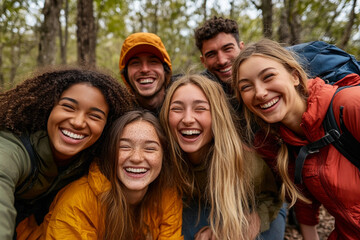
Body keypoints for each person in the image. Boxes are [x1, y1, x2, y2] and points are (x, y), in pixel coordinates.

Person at [232, 38, 360, 239]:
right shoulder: (280, 142)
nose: (260, 93)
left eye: (268, 77)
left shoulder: (350, 105)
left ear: (294, 76)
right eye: (246, 87)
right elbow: (304, 201)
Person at [0, 66, 134, 239]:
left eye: (95, 116)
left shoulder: (92, 161)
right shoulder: (11, 148)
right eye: (68, 107)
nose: (78, 122)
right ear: (49, 107)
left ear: (107, 127)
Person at [194, 16, 287, 239]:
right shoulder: (203, 94)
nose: (222, 60)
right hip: (216, 193)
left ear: (241, 47)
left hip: (267, 193)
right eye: (211, 54)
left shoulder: (266, 89)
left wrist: (258, 215)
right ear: (203, 61)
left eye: (228, 49)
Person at [26, 110, 183, 239]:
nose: (136, 158)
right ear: (109, 153)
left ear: (164, 155)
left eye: (149, 148)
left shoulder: (167, 195)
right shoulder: (78, 201)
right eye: (124, 147)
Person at [159, 74, 281, 239]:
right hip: (202, 202)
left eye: (200, 108)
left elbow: (272, 197)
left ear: (217, 116)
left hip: (258, 202)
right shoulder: (163, 160)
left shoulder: (246, 163)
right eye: (177, 109)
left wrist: (247, 223)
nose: (187, 119)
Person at [119, 32, 172, 114]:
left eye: (153, 62)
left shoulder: (185, 105)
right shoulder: (118, 115)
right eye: (135, 63)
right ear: (126, 74)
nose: (145, 69)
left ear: (165, 70)